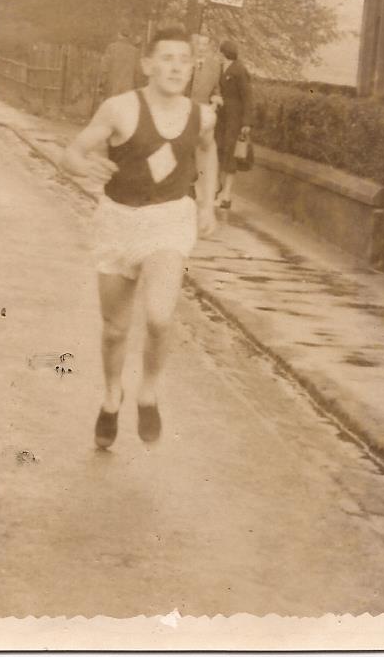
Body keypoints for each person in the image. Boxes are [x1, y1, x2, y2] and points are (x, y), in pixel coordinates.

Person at [61, 24, 218, 449]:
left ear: (192, 68)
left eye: (183, 60)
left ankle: (148, 391)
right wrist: (82, 165)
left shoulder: (201, 115)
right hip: (118, 221)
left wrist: (205, 203)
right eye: (166, 58)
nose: (175, 67)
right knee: (115, 328)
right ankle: (113, 396)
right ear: (148, 65)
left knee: (160, 317)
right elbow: (72, 152)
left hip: (169, 219)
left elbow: (206, 148)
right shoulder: (119, 109)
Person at [211, 39, 252, 210]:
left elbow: (248, 97)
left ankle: (226, 196)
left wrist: (246, 122)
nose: (218, 56)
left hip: (234, 120)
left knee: (230, 156)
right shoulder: (222, 68)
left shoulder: (239, 70)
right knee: (218, 151)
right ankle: (216, 188)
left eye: (219, 52)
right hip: (222, 117)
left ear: (224, 53)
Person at [98, 29, 141, 100]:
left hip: (112, 89)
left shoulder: (111, 48)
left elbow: (104, 68)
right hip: (128, 90)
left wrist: (101, 85)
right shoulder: (135, 52)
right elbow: (138, 73)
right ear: (129, 36)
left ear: (119, 35)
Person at [187, 34, 222, 104]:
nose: (201, 48)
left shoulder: (215, 67)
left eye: (204, 44)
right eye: (198, 44)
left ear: (208, 46)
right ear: (194, 45)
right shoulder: (186, 62)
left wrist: (215, 102)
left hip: (202, 109)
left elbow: (216, 90)